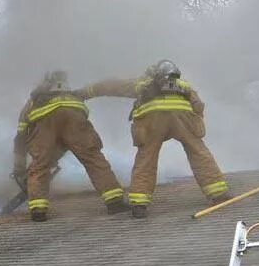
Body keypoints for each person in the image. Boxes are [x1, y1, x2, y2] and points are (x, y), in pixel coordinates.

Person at [83, 60, 230, 218]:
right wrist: (195, 122)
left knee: (146, 158)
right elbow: (198, 105)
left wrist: (85, 92)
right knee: (199, 153)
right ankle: (218, 194)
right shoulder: (183, 84)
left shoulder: (143, 83)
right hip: (182, 117)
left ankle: (139, 203)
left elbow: (114, 86)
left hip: (151, 121)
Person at [13, 70, 126, 222]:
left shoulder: (33, 102)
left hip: (45, 128)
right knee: (93, 158)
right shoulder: (73, 96)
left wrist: (19, 167)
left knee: (40, 165)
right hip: (75, 120)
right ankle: (115, 202)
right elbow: (68, 135)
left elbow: (21, 136)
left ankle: (38, 210)